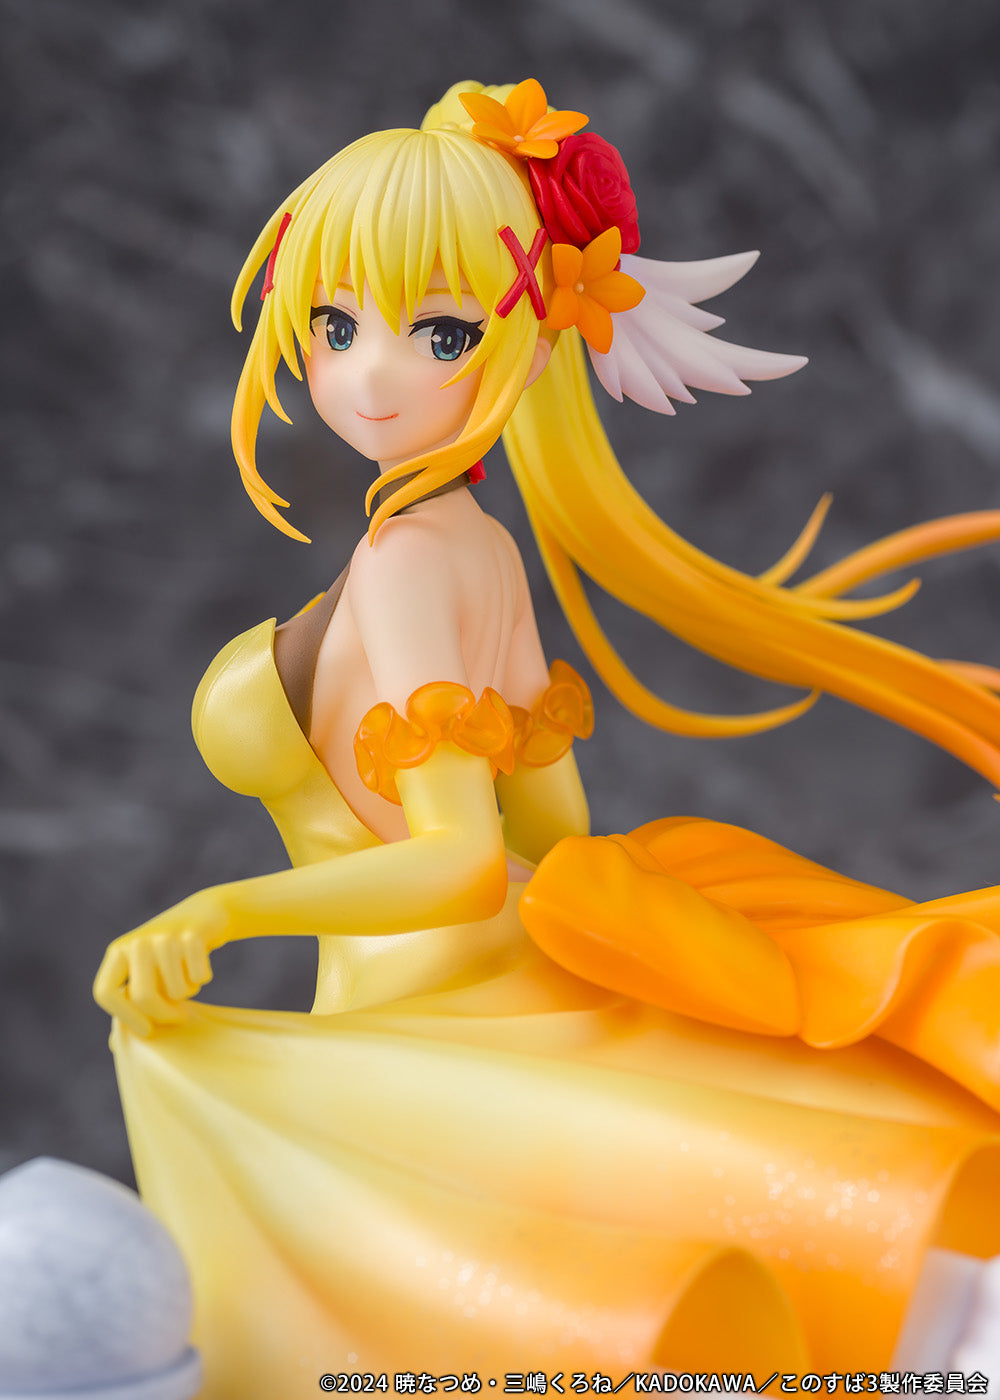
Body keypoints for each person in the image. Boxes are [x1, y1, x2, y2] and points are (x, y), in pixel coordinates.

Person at [94, 80, 1000, 1392]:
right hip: (478, 1013)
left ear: (528, 341)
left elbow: (465, 862)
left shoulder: (415, 564)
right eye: (336, 325)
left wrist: (221, 913)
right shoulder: (474, 547)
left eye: (438, 331)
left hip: (433, 1041)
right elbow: (555, 828)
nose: (370, 373)